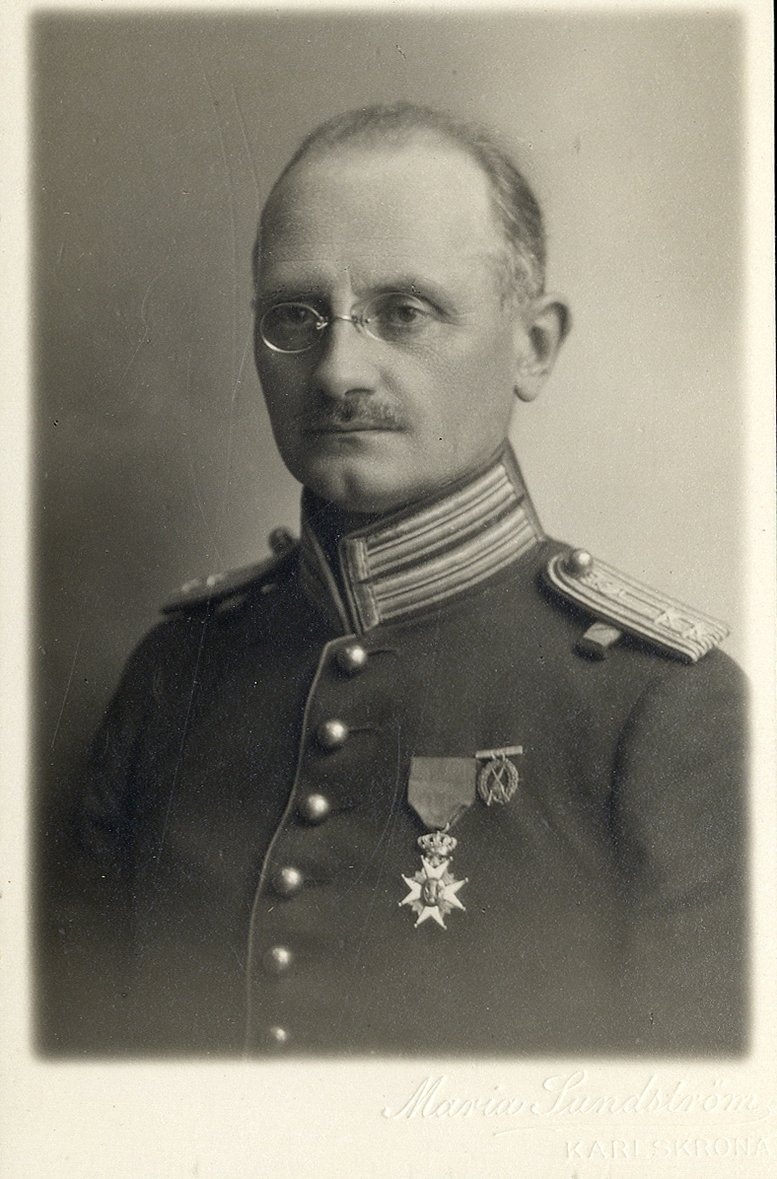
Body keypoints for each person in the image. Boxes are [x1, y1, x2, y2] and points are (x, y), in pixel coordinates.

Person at [48, 103, 746, 1057]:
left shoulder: (662, 712)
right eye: (294, 317)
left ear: (533, 346)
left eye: (404, 313)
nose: (338, 370)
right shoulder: (175, 674)